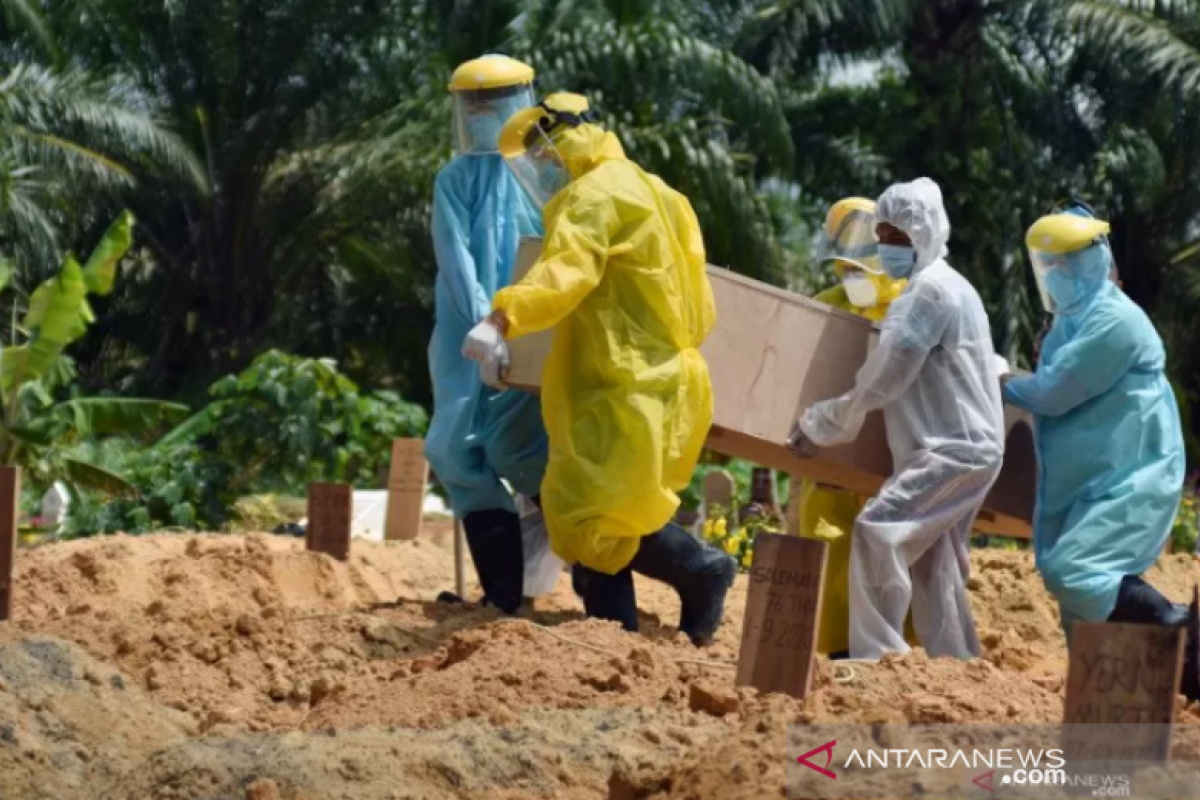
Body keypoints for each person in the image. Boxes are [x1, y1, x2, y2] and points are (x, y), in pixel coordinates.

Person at [461, 93, 736, 645]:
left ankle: (693, 575)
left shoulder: (589, 197)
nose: (538, 173)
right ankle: (618, 632)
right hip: (661, 381)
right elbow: (699, 297)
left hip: (620, 386)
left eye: (538, 160)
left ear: (557, 148)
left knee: (594, 518)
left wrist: (501, 319)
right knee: (603, 513)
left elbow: (564, 271)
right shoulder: (659, 191)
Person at [787, 178, 1005, 660]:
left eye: (896, 239)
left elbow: (883, 379)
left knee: (877, 531)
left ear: (925, 235)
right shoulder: (951, 286)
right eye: (883, 237)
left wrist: (821, 423)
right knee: (934, 563)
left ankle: (880, 658)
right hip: (965, 447)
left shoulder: (926, 295)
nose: (887, 249)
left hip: (954, 451)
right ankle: (956, 664)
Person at [1002, 210, 1199, 700]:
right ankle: (1133, 703)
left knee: (1078, 570)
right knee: (1080, 611)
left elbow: (1052, 393)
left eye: (1065, 263)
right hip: (1091, 477)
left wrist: (997, 380)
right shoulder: (1073, 321)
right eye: (1047, 264)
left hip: (1133, 473)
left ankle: (1177, 628)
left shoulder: (1116, 320)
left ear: (1093, 261)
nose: (1054, 275)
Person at [424, 55, 550, 614]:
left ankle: (587, 581)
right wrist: (484, 323)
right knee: (453, 450)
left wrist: (514, 325)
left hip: (537, 333)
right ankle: (503, 597)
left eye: (494, 100)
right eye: (471, 102)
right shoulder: (453, 179)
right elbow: (456, 259)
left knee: (529, 454)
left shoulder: (544, 174)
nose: (482, 113)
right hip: (465, 339)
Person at [798, 196, 920, 658]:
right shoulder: (824, 307)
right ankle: (842, 656)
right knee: (833, 565)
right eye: (848, 268)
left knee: (895, 568)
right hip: (831, 475)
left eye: (862, 266)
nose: (855, 277)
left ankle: (895, 659)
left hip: (893, 469)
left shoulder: (913, 307)